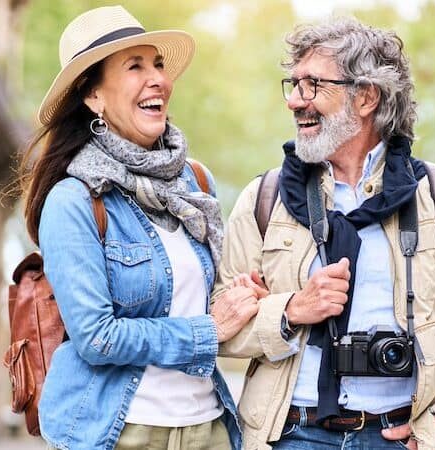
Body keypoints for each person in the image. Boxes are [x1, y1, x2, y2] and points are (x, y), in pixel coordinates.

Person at [214, 17, 435, 450]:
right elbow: (219, 326)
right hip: (289, 435)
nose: (296, 101)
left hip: (401, 436)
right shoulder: (265, 198)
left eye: (313, 85)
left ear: (367, 97)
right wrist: (292, 310)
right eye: (293, 84)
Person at [16, 6, 262, 450]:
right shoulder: (73, 202)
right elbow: (97, 338)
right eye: (135, 66)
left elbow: (203, 301)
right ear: (93, 96)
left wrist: (240, 295)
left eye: (159, 64)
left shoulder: (196, 183)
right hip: (120, 433)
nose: (159, 80)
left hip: (209, 429)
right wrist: (209, 329)